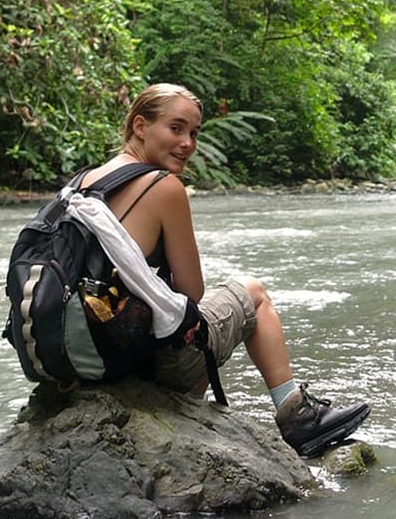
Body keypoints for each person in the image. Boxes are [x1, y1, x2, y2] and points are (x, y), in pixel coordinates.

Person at [80, 82, 370, 457]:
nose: (187, 143)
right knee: (253, 294)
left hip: (90, 361)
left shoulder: (85, 183)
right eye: (176, 128)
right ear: (139, 126)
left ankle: (192, 417)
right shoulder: (163, 187)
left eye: (194, 133)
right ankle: (298, 416)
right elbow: (192, 294)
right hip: (140, 365)